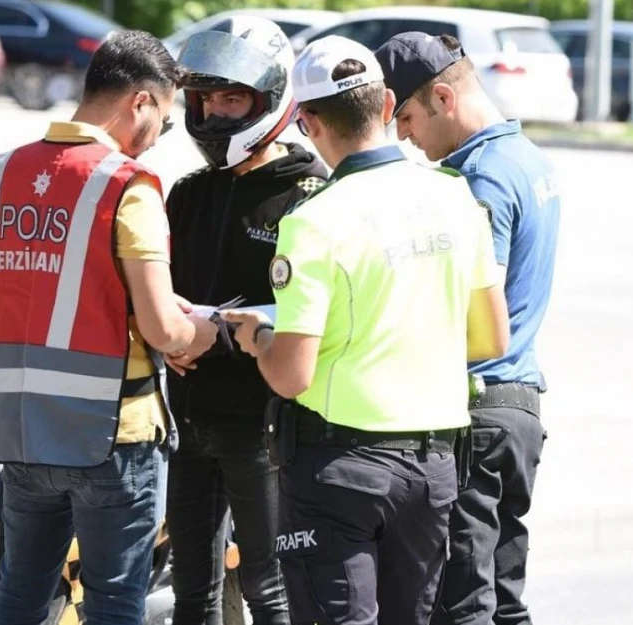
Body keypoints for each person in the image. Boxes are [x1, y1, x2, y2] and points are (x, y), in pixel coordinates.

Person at [222, 34, 511, 625]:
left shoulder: (314, 222)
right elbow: (489, 341)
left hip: (341, 470)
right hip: (433, 468)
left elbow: (291, 376)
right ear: (385, 106)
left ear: (308, 122)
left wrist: (257, 339)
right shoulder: (455, 197)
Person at [0, 29, 219, 625]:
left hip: (23, 431)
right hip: (113, 434)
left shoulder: (1, 176)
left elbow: (20, 291)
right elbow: (165, 330)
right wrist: (208, 332)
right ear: (139, 101)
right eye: (162, 117)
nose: (160, 136)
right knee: (113, 603)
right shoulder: (127, 186)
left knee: (19, 595)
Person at [374, 32, 560, 625]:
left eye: (404, 115)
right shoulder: (528, 158)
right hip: (517, 410)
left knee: (461, 604)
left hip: (473, 415)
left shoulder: (478, 179)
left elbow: (474, 304)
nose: (402, 134)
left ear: (444, 99)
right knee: (502, 601)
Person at [163, 16, 329, 625]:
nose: (215, 112)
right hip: (186, 417)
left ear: (269, 97)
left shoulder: (308, 192)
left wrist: (219, 335)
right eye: (206, 98)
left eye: (232, 97)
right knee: (192, 591)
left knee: (270, 587)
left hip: (263, 426)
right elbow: (155, 289)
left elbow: (315, 309)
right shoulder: (188, 193)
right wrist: (163, 336)